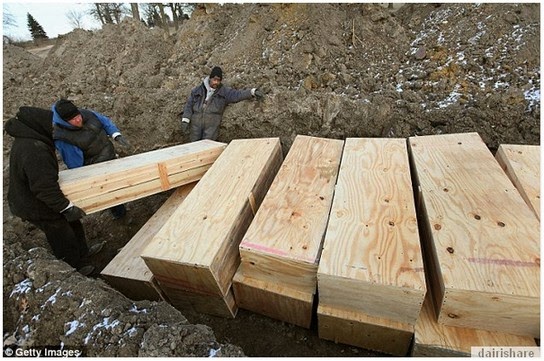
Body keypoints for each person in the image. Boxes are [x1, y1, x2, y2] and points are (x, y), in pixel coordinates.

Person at [6, 106, 103, 276]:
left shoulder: (30, 139)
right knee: (61, 233)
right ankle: (74, 268)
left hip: (34, 196)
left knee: (74, 223)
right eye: (50, 126)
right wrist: (65, 207)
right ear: (39, 126)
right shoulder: (35, 150)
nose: (54, 129)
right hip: (33, 204)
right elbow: (44, 188)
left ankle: (83, 253)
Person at [51, 99, 129, 219]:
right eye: (73, 119)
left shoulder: (87, 113)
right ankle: (120, 214)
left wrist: (115, 134)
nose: (78, 120)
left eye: (77, 116)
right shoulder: (63, 138)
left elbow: (103, 121)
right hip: (96, 168)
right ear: (64, 122)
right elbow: (75, 164)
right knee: (109, 192)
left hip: (109, 156)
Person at [180, 66, 264, 142]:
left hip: (211, 128)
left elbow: (238, 94)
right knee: (194, 147)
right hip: (195, 126)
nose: (216, 82)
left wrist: (252, 92)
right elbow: (189, 105)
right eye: (214, 80)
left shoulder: (224, 92)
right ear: (210, 78)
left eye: (218, 80)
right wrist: (185, 120)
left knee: (207, 149)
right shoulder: (197, 90)